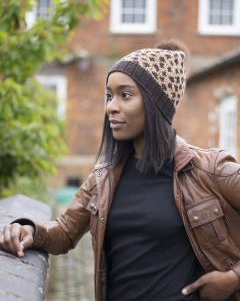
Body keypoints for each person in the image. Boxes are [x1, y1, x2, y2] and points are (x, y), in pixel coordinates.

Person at [1, 40, 240, 301]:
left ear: (155, 104)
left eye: (125, 95)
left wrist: (233, 278)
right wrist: (30, 230)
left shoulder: (209, 169)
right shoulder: (104, 177)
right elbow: (65, 231)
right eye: (109, 95)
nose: (110, 107)